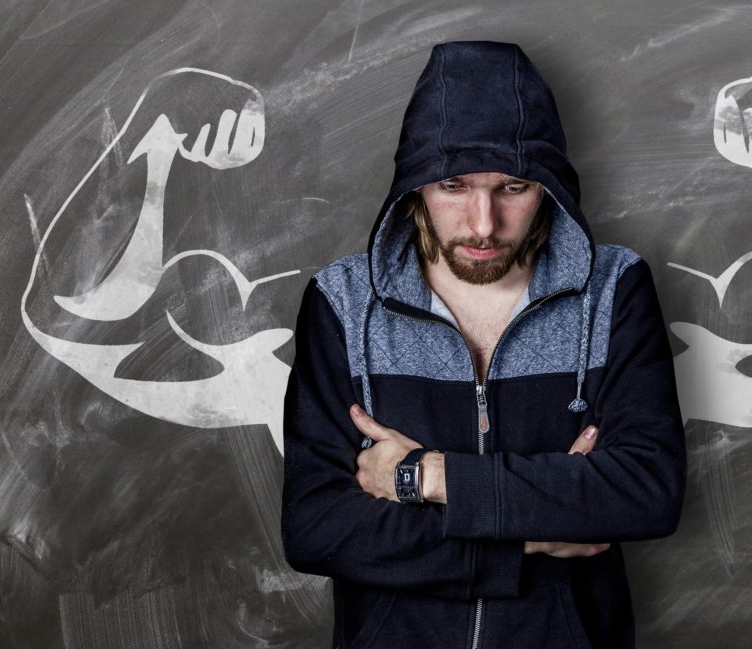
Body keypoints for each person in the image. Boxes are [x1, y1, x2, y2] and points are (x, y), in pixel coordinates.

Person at [281, 40, 686, 649]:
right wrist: (527, 539)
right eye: (453, 185)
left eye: (513, 188)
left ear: (548, 187)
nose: (483, 224)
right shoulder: (342, 302)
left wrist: (429, 478)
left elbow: (645, 493)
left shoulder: (614, 290)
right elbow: (317, 529)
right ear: (415, 187)